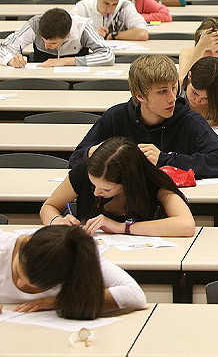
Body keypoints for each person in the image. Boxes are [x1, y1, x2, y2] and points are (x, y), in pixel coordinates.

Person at [69, 55, 218, 178]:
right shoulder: (116, 117)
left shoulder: (190, 121)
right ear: (140, 96)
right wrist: (94, 152)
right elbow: (76, 158)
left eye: (173, 87)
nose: (172, 97)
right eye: (162, 91)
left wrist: (165, 159)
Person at [41, 137, 196, 237]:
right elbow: (49, 206)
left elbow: (186, 225)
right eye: (93, 184)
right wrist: (56, 221)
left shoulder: (153, 183)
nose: (95, 192)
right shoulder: (84, 171)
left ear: (128, 183)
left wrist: (122, 227)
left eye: (106, 190)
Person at [0, 225, 146, 319]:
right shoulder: (3, 246)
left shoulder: (76, 256)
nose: (19, 283)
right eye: (17, 272)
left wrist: (58, 301)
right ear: (26, 240)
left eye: (35, 286)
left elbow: (134, 295)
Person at [0, 8, 114, 67]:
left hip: (76, 79)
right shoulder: (35, 24)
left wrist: (66, 61)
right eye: (43, 40)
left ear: (68, 34)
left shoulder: (82, 28)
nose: (46, 46)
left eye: (53, 43)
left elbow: (108, 55)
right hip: (42, 78)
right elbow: (3, 48)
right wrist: (10, 60)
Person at [71, 0, 149, 41]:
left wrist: (114, 35)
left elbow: (143, 33)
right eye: (106, 3)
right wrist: (91, 33)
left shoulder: (125, 6)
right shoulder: (83, 7)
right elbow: (66, 32)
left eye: (114, 4)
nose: (109, 9)